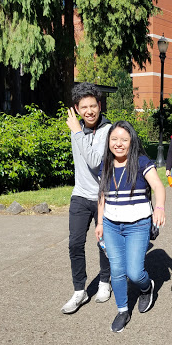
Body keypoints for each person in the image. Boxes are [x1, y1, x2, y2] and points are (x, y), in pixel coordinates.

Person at [95, 120, 166, 333]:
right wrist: (99, 222)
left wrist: (160, 207)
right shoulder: (105, 164)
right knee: (117, 270)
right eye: (114, 139)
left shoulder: (141, 162)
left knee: (134, 273)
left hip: (138, 224)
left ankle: (147, 287)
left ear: (131, 141)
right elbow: (101, 196)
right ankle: (123, 310)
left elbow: (158, 186)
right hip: (111, 225)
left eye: (124, 140)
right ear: (108, 141)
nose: (119, 144)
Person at [61, 83, 112, 314]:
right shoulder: (77, 129)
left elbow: (94, 161)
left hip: (103, 196)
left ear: (99, 106)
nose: (89, 110)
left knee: (103, 243)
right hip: (80, 195)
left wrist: (77, 132)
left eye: (93, 105)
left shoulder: (109, 131)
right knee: (74, 243)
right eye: (84, 107)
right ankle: (79, 290)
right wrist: (78, 132)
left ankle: (104, 281)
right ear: (77, 108)